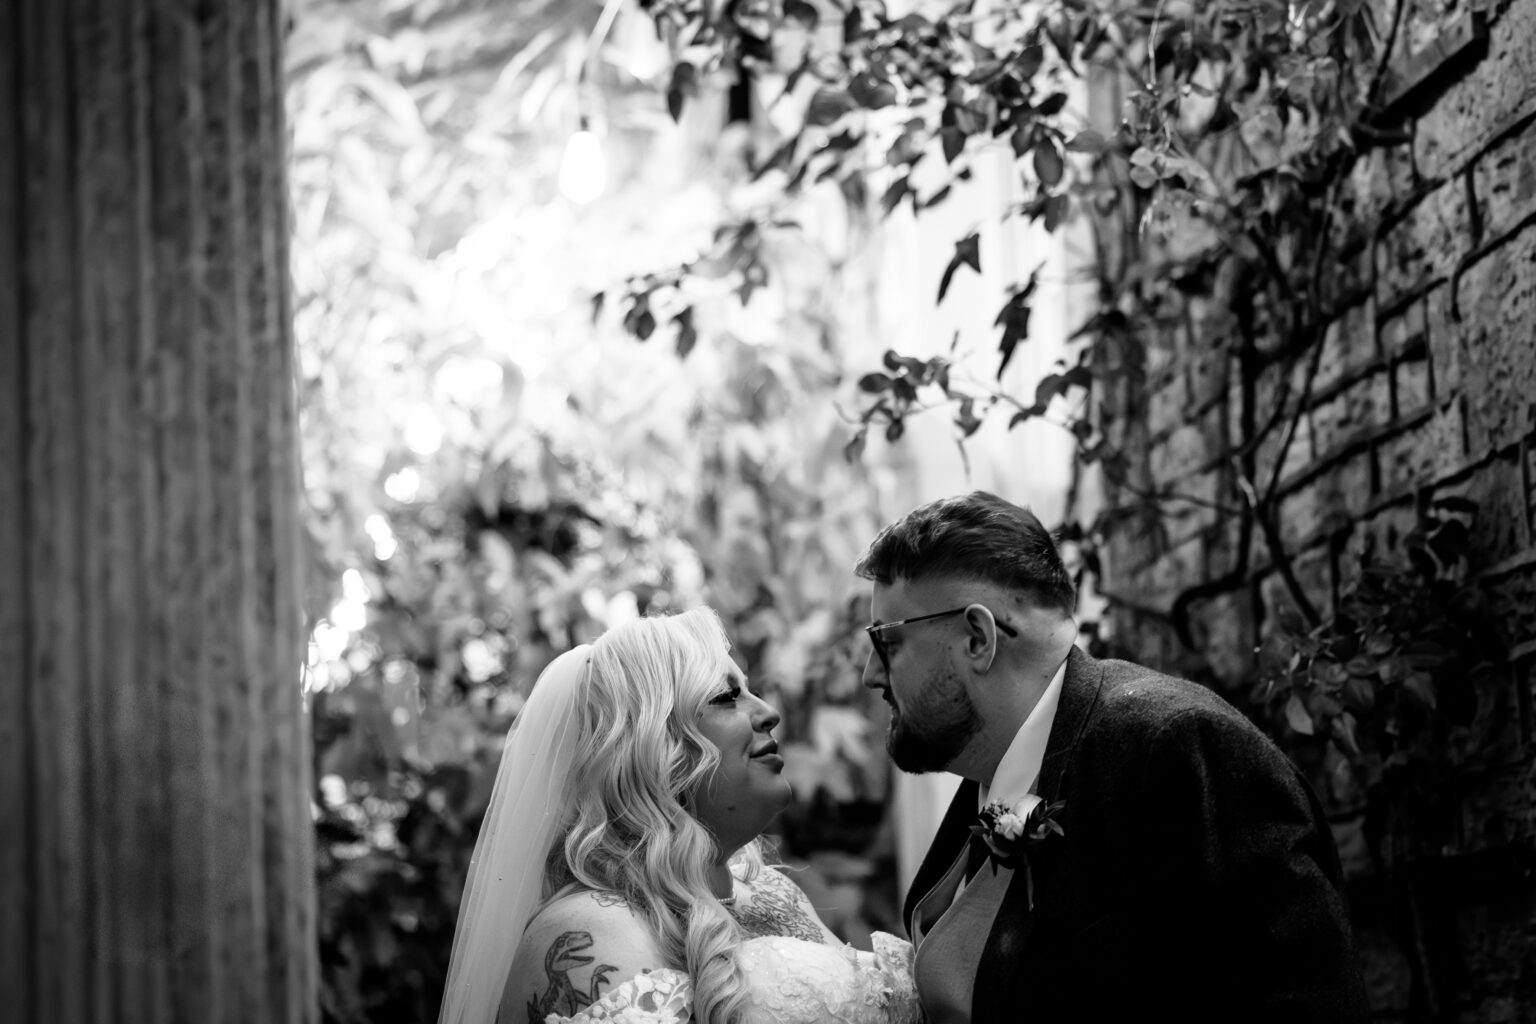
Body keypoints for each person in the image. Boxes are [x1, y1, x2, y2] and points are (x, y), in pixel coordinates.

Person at [856, 491, 1370, 1024]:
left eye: (887, 642)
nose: (872, 674)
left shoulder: (1178, 751)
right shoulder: (987, 777)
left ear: (978, 639)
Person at [438, 608, 920, 1024]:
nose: (768, 712)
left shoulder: (776, 893)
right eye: (727, 697)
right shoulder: (585, 932)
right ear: (655, 746)